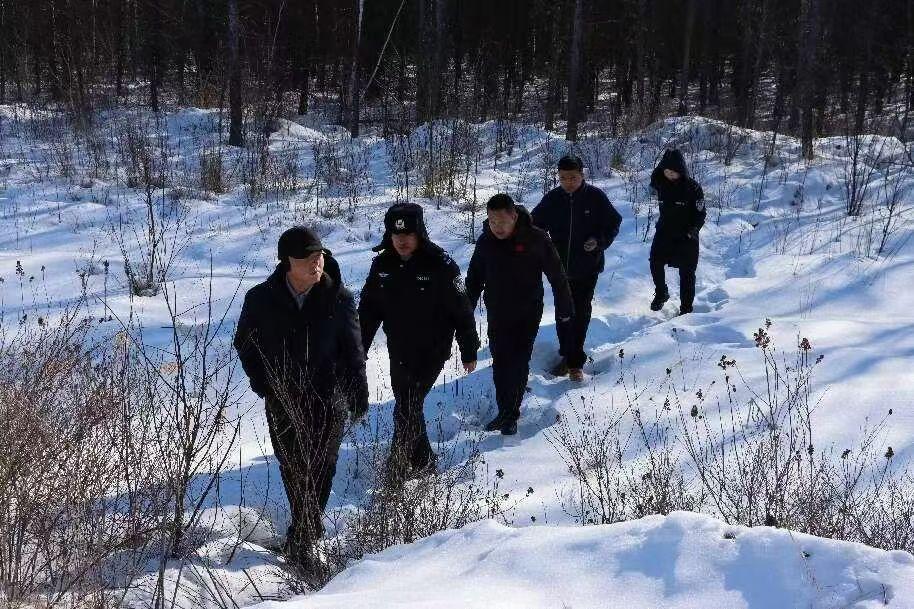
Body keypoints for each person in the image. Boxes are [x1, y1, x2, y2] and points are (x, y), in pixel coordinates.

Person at [233, 226, 369, 573]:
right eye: (307, 258)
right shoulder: (260, 299)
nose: (316, 264)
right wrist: (264, 384)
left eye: (319, 256)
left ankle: (304, 537)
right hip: (282, 397)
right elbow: (245, 343)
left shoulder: (339, 298)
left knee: (322, 465)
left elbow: (354, 352)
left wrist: (359, 396)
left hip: (329, 397)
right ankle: (305, 531)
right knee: (292, 465)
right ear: (287, 262)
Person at [359, 203, 480, 480]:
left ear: (420, 234)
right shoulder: (382, 265)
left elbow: (461, 310)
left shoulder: (441, 264)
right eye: (396, 234)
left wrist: (469, 349)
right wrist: (358, 349)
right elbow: (368, 310)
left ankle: (397, 467)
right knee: (408, 406)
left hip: (432, 349)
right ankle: (424, 462)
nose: (402, 240)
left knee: (407, 406)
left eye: (409, 235)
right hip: (399, 348)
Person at [466, 194, 574, 436]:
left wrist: (565, 307)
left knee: (518, 360)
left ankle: (511, 414)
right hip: (497, 310)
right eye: (492, 221)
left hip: (528, 310)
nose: (497, 227)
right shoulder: (486, 241)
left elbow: (557, 276)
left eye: (502, 222)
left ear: (514, 216)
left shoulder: (536, 238)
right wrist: (464, 313)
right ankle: (504, 410)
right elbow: (473, 280)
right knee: (500, 361)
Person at [531, 154, 622, 382]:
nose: (568, 182)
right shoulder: (553, 199)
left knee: (580, 313)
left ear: (582, 175)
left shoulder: (595, 197)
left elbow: (613, 222)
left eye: (573, 177)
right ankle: (567, 353)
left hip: (587, 267)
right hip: (558, 268)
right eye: (563, 178)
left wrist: (598, 241)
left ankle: (575, 363)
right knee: (563, 313)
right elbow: (534, 224)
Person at [648, 149, 706, 315]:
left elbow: (701, 213)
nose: (670, 175)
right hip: (665, 231)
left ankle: (686, 308)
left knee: (687, 272)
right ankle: (661, 293)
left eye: (673, 172)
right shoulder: (661, 182)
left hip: (687, 234)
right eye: (667, 171)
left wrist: (693, 230)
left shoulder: (693, 188)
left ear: (681, 170)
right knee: (655, 261)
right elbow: (654, 179)